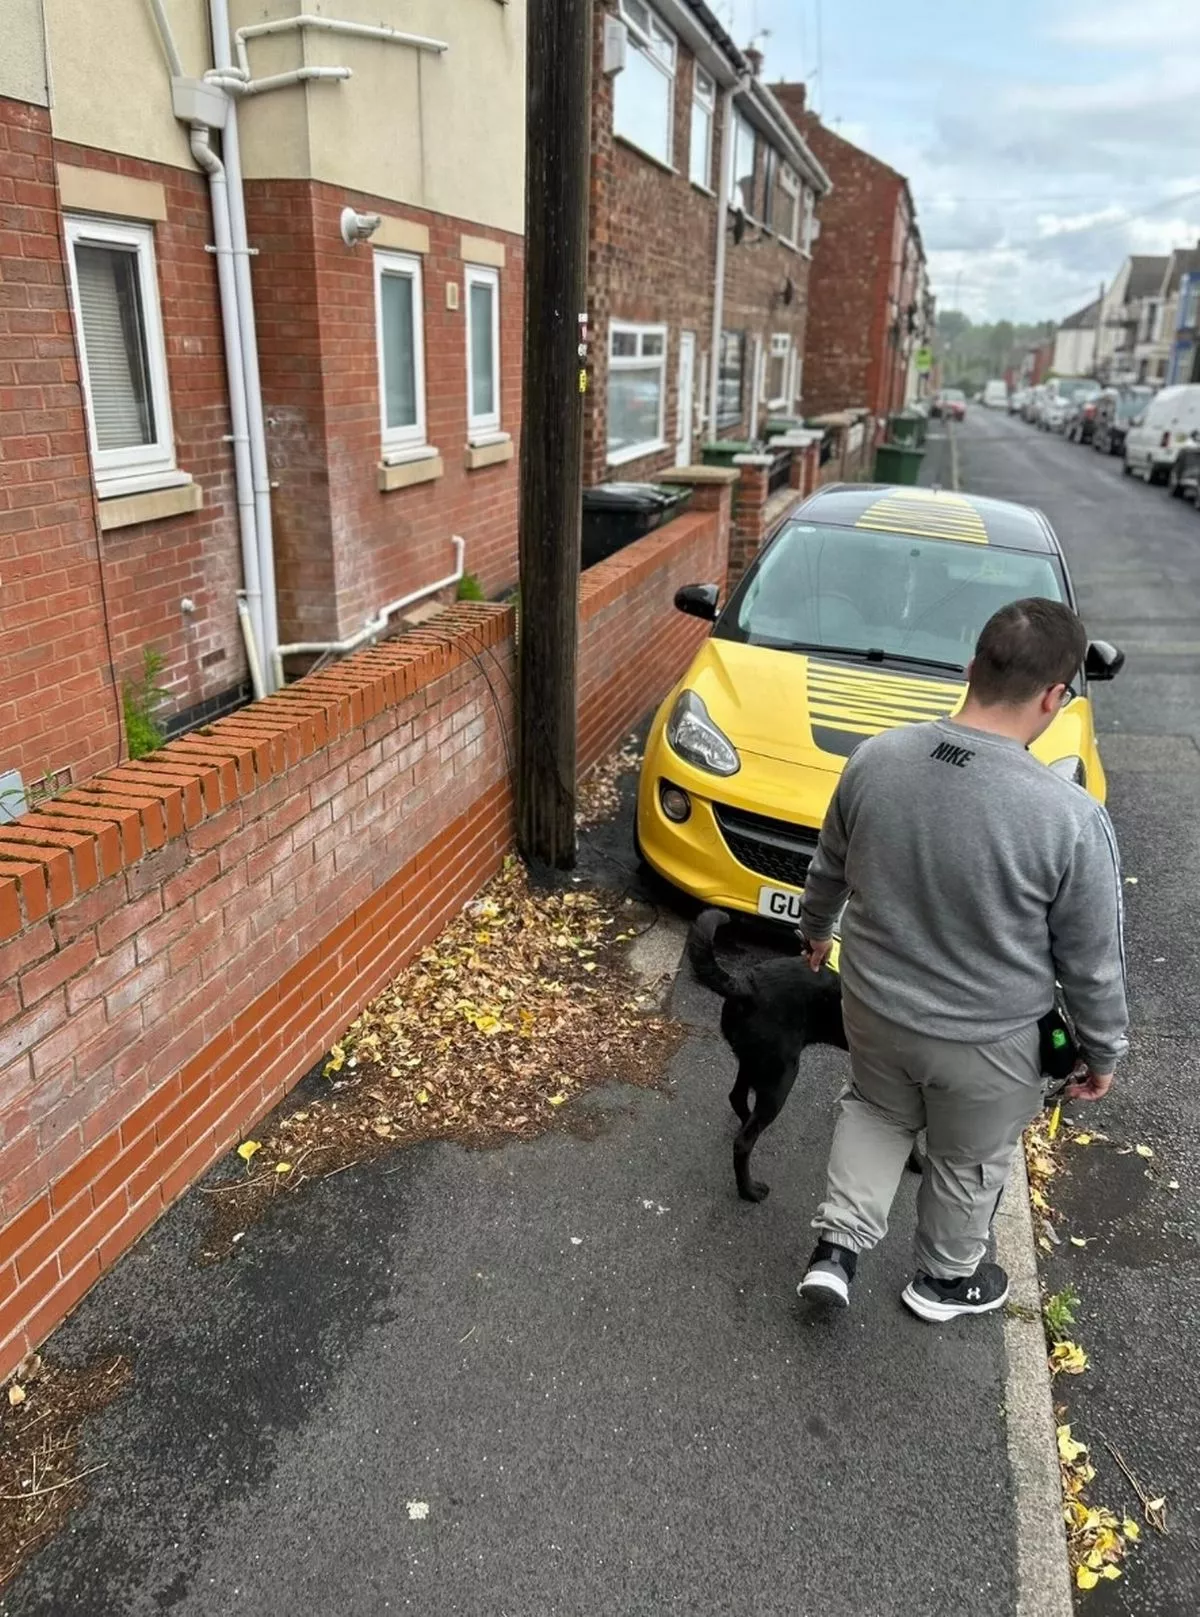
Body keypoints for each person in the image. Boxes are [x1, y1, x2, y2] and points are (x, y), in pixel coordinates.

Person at [796, 598, 1129, 1321]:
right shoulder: (1068, 818)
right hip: (989, 1036)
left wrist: (817, 928)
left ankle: (836, 1250)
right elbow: (1091, 963)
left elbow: (828, 867)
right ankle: (943, 1281)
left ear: (973, 667)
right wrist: (1101, 1050)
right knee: (965, 1159)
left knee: (877, 1111)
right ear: (1053, 696)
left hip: (876, 1004)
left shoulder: (876, 759)